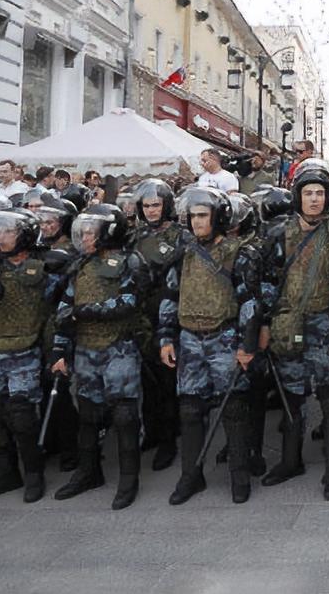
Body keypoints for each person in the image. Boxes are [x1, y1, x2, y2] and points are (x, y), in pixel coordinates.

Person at [158, 187, 264, 504]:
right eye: (193, 216)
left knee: (233, 408)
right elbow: (169, 298)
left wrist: (247, 346)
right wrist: (165, 337)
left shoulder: (238, 253)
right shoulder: (184, 255)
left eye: (203, 215)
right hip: (189, 340)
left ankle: (239, 476)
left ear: (218, 218)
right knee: (190, 410)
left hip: (225, 338)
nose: (196, 222)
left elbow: (250, 304)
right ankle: (191, 476)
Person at [260, 160, 329, 498]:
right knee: (291, 395)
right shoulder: (277, 233)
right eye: (308, 193)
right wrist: (267, 323)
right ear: (297, 196)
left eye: (320, 193)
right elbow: (266, 282)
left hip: (327, 323)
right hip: (289, 324)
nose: (314, 199)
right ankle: (290, 459)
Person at [51, 205, 150, 507]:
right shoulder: (80, 265)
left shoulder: (129, 261)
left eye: (91, 232)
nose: (85, 237)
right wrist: (59, 349)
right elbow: (65, 309)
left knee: (124, 415)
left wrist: (86, 312)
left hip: (118, 347)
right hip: (85, 349)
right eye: (83, 231)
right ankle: (88, 472)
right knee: (89, 414)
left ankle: (128, 480)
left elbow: (129, 301)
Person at [0, 209, 67, 504]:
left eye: (8, 231)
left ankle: (33, 473)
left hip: (25, 352)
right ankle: (5, 473)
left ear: (23, 233)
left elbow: (54, 314)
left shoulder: (43, 269)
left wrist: (54, 353)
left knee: (22, 418)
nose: (2, 237)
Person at [130, 179, 189, 472]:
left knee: (168, 383)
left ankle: (168, 440)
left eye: (156, 205)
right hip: (141, 316)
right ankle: (153, 431)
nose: (152, 210)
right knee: (147, 380)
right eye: (147, 206)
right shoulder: (135, 236)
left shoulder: (181, 236)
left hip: (170, 315)